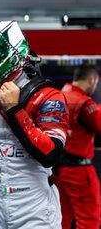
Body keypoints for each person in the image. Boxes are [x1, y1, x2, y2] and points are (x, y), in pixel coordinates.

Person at [0, 20, 69, 229]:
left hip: (35, 207)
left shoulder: (47, 96)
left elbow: (52, 155)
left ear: (6, 55)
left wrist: (15, 110)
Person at [53, 65, 101, 229]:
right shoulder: (84, 103)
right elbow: (98, 125)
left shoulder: (57, 96)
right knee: (88, 219)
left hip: (56, 170)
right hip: (78, 171)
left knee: (61, 218)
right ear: (91, 80)